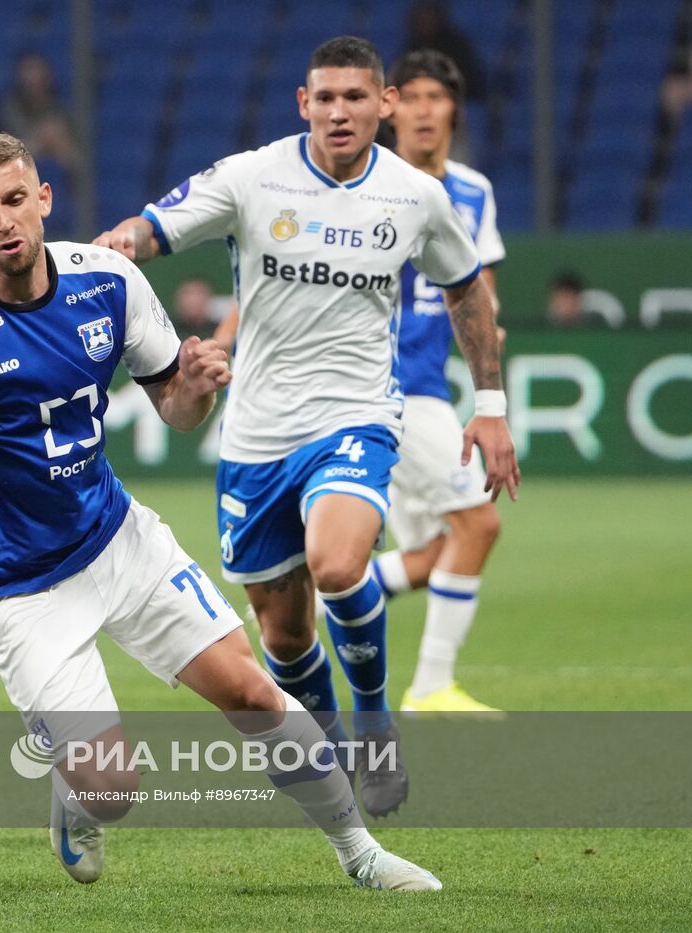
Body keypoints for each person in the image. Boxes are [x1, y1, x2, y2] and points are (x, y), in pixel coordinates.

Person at [0, 131, 442, 892]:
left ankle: (361, 853)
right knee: (112, 790)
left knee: (255, 691)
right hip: (21, 587)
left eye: (15, 201)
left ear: (44, 200)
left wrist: (196, 387)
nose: (4, 221)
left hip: (118, 537)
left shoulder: (109, 281)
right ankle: (78, 795)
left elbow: (176, 408)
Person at [95, 37, 518, 818]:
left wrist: (490, 408)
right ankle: (324, 741)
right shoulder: (253, 177)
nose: (339, 112)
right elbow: (154, 226)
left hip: (358, 413)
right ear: (303, 104)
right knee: (283, 633)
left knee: (335, 560)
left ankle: (375, 725)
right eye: (325, 98)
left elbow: (467, 292)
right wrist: (121, 245)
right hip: (256, 433)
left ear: (382, 105)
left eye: (356, 97)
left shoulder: (416, 196)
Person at [369, 49, 506, 714]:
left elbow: (483, 288)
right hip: (392, 393)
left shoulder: (474, 191)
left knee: (429, 554)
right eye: (413, 96)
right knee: (479, 527)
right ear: (391, 108)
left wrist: (492, 329)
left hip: (427, 386)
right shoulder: (367, 185)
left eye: (437, 97)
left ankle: (304, 601)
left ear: (453, 109)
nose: (425, 109)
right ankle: (430, 688)